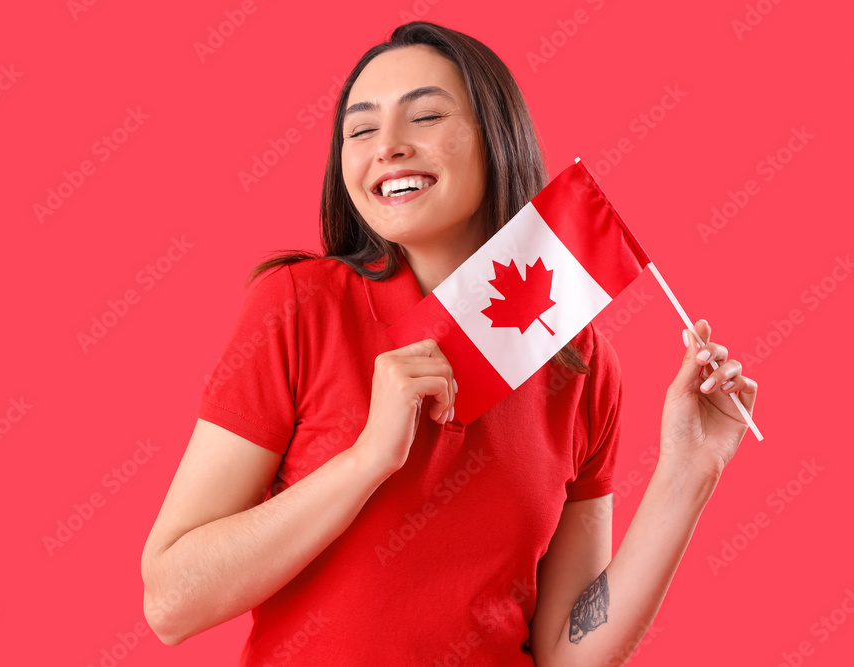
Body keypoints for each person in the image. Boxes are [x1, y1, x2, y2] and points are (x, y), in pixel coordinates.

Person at [140, 21, 757, 666]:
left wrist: (689, 470)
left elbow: (569, 656)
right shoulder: (299, 308)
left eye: (425, 116)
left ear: (497, 138)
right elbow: (172, 603)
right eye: (359, 130)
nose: (388, 147)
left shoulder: (581, 363)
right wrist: (367, 459)